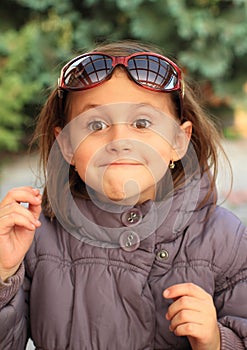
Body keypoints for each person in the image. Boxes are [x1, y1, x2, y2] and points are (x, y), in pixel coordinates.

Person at [0, 40, 246, 350]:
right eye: (96, 124)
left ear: (179, 141)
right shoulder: (34, 236)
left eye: (142, 123)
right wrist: (3, 274)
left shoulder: (226, 240)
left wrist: (217, 342)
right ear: (67, 147)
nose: (119, 140)